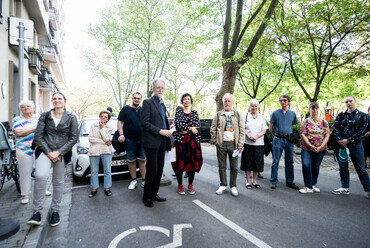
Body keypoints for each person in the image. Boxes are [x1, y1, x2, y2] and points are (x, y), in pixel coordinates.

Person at [27, 92, 78, 227]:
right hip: (45, 151)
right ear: (52, 101)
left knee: (58, 182)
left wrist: (59, 152)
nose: (57, 101)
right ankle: (36, 212)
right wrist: (50, 152)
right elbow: (38, 136)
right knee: (40, 176)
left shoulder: (72, 117)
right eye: (54, 99)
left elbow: (73, 138)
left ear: (64, 101)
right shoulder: (45, 116)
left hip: (61, 153)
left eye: (60, 98)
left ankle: (55, 211)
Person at [13, 100, 52, 204]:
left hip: (40, 148)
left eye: (28, 106)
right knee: (25, 172)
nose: (26, 108)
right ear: (21, 109)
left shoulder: (40, 118)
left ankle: (43, 190)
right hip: (23, 149)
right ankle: (25, 195)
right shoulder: (17, 119)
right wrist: (35, 128)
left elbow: (47, 130)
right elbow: (18, 132)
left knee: (41, 172)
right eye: (23, 107)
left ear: (33, 108)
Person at [140, 78, 171, 207]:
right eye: (158, 87)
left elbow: (163, 121)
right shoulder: (147, 102)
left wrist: (167, 132)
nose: (160, 90)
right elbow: (144, 123)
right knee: (152, 170)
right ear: (153, 89)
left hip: (162, 141)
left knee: (159, 169)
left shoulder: (162, 104)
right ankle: (146, 197)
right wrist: (160, 131)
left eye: (162, 88)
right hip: (152, 142)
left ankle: (154, 193)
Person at [332, 96, 370, 198]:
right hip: (341, 145)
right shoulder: (341, 115)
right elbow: (334, 128)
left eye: (350, 101)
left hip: (355, 145)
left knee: (361, 168)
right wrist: (340, 140)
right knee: (343, 167)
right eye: (346, 102)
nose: (349, 103)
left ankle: (369, 189)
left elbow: (362, 132)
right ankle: (344, 188)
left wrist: (348, 140)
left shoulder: (363, 116)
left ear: (355, 101)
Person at [210, 93, 245, 197]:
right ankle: (223, 185)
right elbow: (213, 128)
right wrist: (215, 140)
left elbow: (242, 130)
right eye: (225, 101)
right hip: (221, 144)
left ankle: (233, 186)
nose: (227, 103)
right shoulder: (218, 114)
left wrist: (240, 144)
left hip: (234, 145)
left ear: (232, 102)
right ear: (223, 102)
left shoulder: (237, 115)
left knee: (234, 167)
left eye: (229, 101)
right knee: (222, 166)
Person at [172, 93, 203, 195]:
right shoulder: (178, 113)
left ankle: (190, 184)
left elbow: (197, 127)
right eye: (184, 99)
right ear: (182, 101)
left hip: (193, 142)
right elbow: (178, 126)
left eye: (188, 99)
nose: (186, 101)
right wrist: (190, 128)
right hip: (181, 143)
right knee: (180, 164)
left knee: (192, 164)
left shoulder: (194, 113)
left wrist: (186, 129)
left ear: (191, 101)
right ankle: (180, 185)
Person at [299, 102, 330, 194]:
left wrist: (321, 146)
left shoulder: (324, 122)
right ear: (309, 110)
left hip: (321, 148)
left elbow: (327, 135)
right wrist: (310, 146)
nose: (314, 110)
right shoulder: (306, 121)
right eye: (312, 108)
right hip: (307, 148)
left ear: (318, 110)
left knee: (316, 166)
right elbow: (302, 134)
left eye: (316, 108)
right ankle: (308, 186)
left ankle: (314, 184)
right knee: (306, 164)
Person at [117, 92, 146, 190]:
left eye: (138, 98)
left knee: (142, 160)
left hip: (142, 140)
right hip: (129, 140)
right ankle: (133, 180)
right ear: (132, 98)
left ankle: (144, 180)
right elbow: (119, 121)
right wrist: (121, 134)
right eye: (135, 98)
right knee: (131, 161)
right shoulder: (126, 109)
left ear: (141, 99)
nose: (136, 100)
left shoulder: (143, 110)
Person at [269, 94, 299, 190]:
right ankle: (273, 181)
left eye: (285, 100)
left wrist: (288, 134)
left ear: (288, 102)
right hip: (278, 139)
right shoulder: (275, 113)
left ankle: (290, 181)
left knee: (289, 161)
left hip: (289, 140)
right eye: (281, 100)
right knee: (275, 161)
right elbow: (271, 127)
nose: (283, 102)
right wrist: (275, 136)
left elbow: (292, 126)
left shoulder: (292, 114)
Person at [241, 99, 267, 189]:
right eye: (252, 106)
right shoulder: (245, 116)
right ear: (249, 107)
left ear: (258, 107)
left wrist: (256, 136)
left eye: (256, 106)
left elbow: (264, 129)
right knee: (247, 163)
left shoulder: (261, 117)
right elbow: (242, 128)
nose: (254, 108)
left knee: (257, 163)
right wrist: (248, 135)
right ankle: (248, 181)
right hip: (248, 143)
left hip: (259, 144)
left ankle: (254, 181)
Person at [88, 110, 113, 198]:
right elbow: (91, 139)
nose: (103, 118)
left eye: (105, 117)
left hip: (106, 150)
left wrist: (102, 129)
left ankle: (107, 188)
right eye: (102, 116)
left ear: (108, 119)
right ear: (99, 116)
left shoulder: (109, 127)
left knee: (107, 170)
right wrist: (103, 142)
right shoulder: (93, 125)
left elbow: (107, 139)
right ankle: (94, 188)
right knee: (94, 171)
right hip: (94, 150)